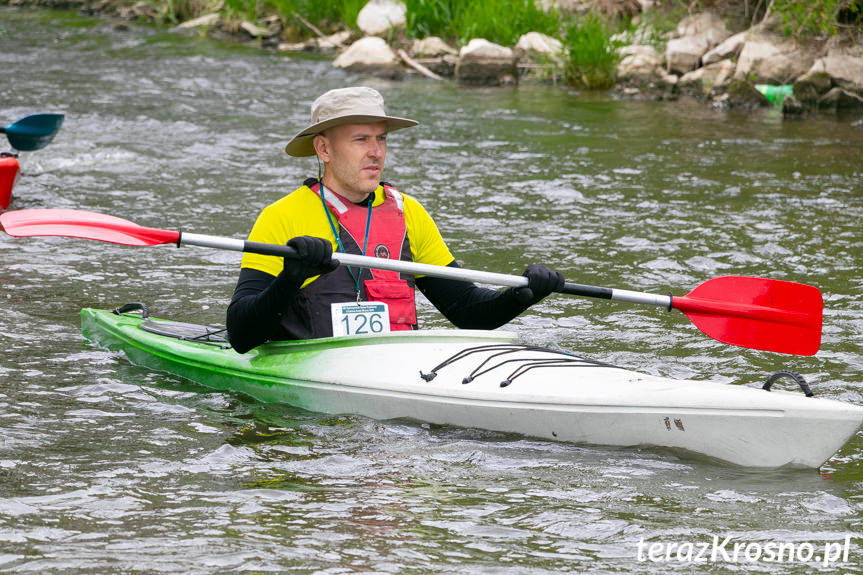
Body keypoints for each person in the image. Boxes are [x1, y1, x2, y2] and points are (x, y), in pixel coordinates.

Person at [226, 86, 563, 353]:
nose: (376, 151)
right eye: (361, 139)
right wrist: (289, 278)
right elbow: (240, 335)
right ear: (324, 150)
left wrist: (523, 295)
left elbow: (467, 310)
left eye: (381, 138)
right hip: (309, 375)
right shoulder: (281, 217)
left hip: (391, 371)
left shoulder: (408, 213)